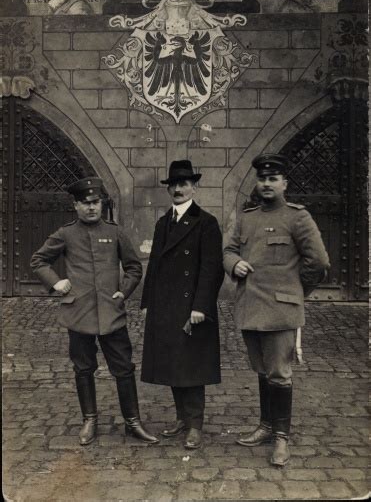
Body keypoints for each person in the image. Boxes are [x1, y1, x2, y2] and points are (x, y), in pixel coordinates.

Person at [30, 177, 158, 446]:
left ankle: (132, 422)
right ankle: (90, 420)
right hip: (78, 314)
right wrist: (56, 281)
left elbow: (134, 267)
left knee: (123, 368)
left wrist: (124, 291)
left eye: (96, 202)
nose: (91, 208)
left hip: (111, 313)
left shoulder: (115, 232)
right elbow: (38, 260)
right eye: (85, 203)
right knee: (83, 368)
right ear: (75, 206)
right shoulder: (65, 234)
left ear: (102, 204)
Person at [223, 154, 330, 466]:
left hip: (282, 311)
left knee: (280, 374)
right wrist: (234, 263)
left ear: (284, 183)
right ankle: (266, 426)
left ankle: (281, 438)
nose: (266, 184)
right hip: (251, 307)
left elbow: (319, 262)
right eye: (262, 179)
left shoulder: (298, 217)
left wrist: (296, 292)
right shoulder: (247, 217)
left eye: (273, 179)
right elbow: (229, 249)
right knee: (262, 370)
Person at [141, 160, 224, 449]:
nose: (178, 189)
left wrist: (200, 306)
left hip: (192, 306)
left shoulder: (206, 222)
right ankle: (181, 419)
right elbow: (155, 264)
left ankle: (195, 426)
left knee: (192, 365)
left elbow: (212, 268)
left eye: (184, 184)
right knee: (172, 363)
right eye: (173, 184)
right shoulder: (164, 222)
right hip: (165, 306)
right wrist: (148, 302)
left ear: (194, 187)